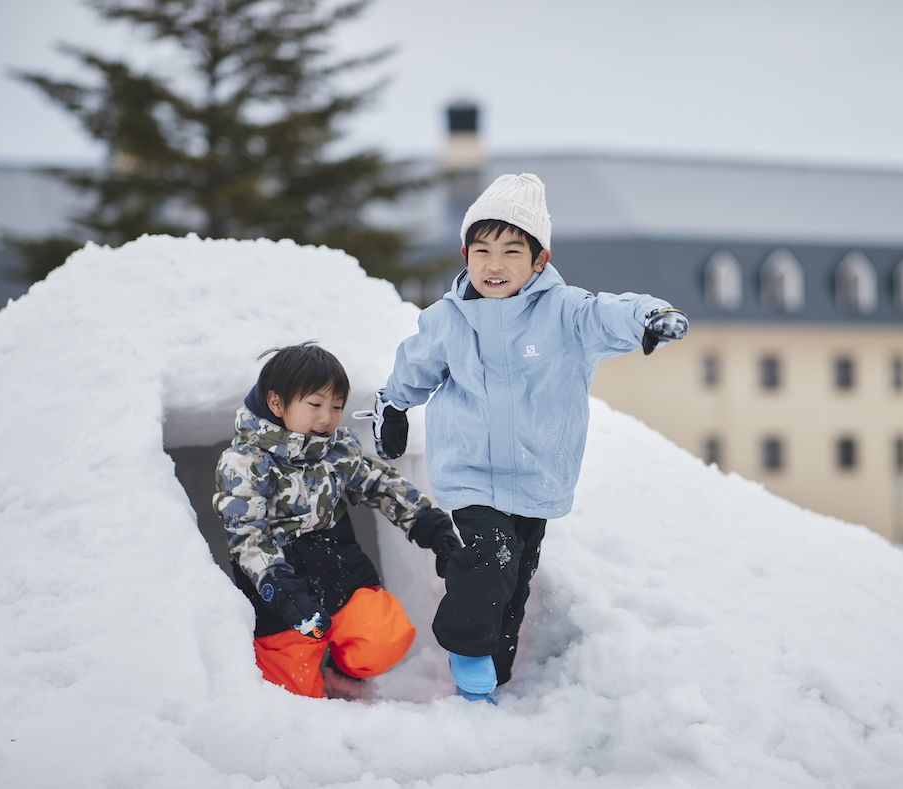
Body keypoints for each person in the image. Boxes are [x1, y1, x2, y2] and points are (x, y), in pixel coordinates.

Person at [362, 173, 688, 702]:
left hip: (537, 473)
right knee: (487, 557)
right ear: (465, 254)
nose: (495, 265)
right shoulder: (448, 320)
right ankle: (468, 661)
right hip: (469, 471)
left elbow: (612, 311)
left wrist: (650, 316)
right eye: (482, 250)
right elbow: (414, 366)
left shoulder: (566, 313)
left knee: (513, 581)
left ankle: (497, 675)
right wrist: (394, 405)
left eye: (513, 251)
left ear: (539, 260)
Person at [213, 342, 460, 699]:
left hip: (338, 573)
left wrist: (432, 527)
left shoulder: (336, 453)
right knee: (292, 695)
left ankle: (338, 669)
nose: (327, 417)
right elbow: (248, 537)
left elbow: (382, 485)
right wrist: (282, 593)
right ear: (276, 403)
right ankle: (306, 671)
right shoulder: (245, 463)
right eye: (315, 404)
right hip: (282, 592)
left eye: (336, 406)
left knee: (384, 638)